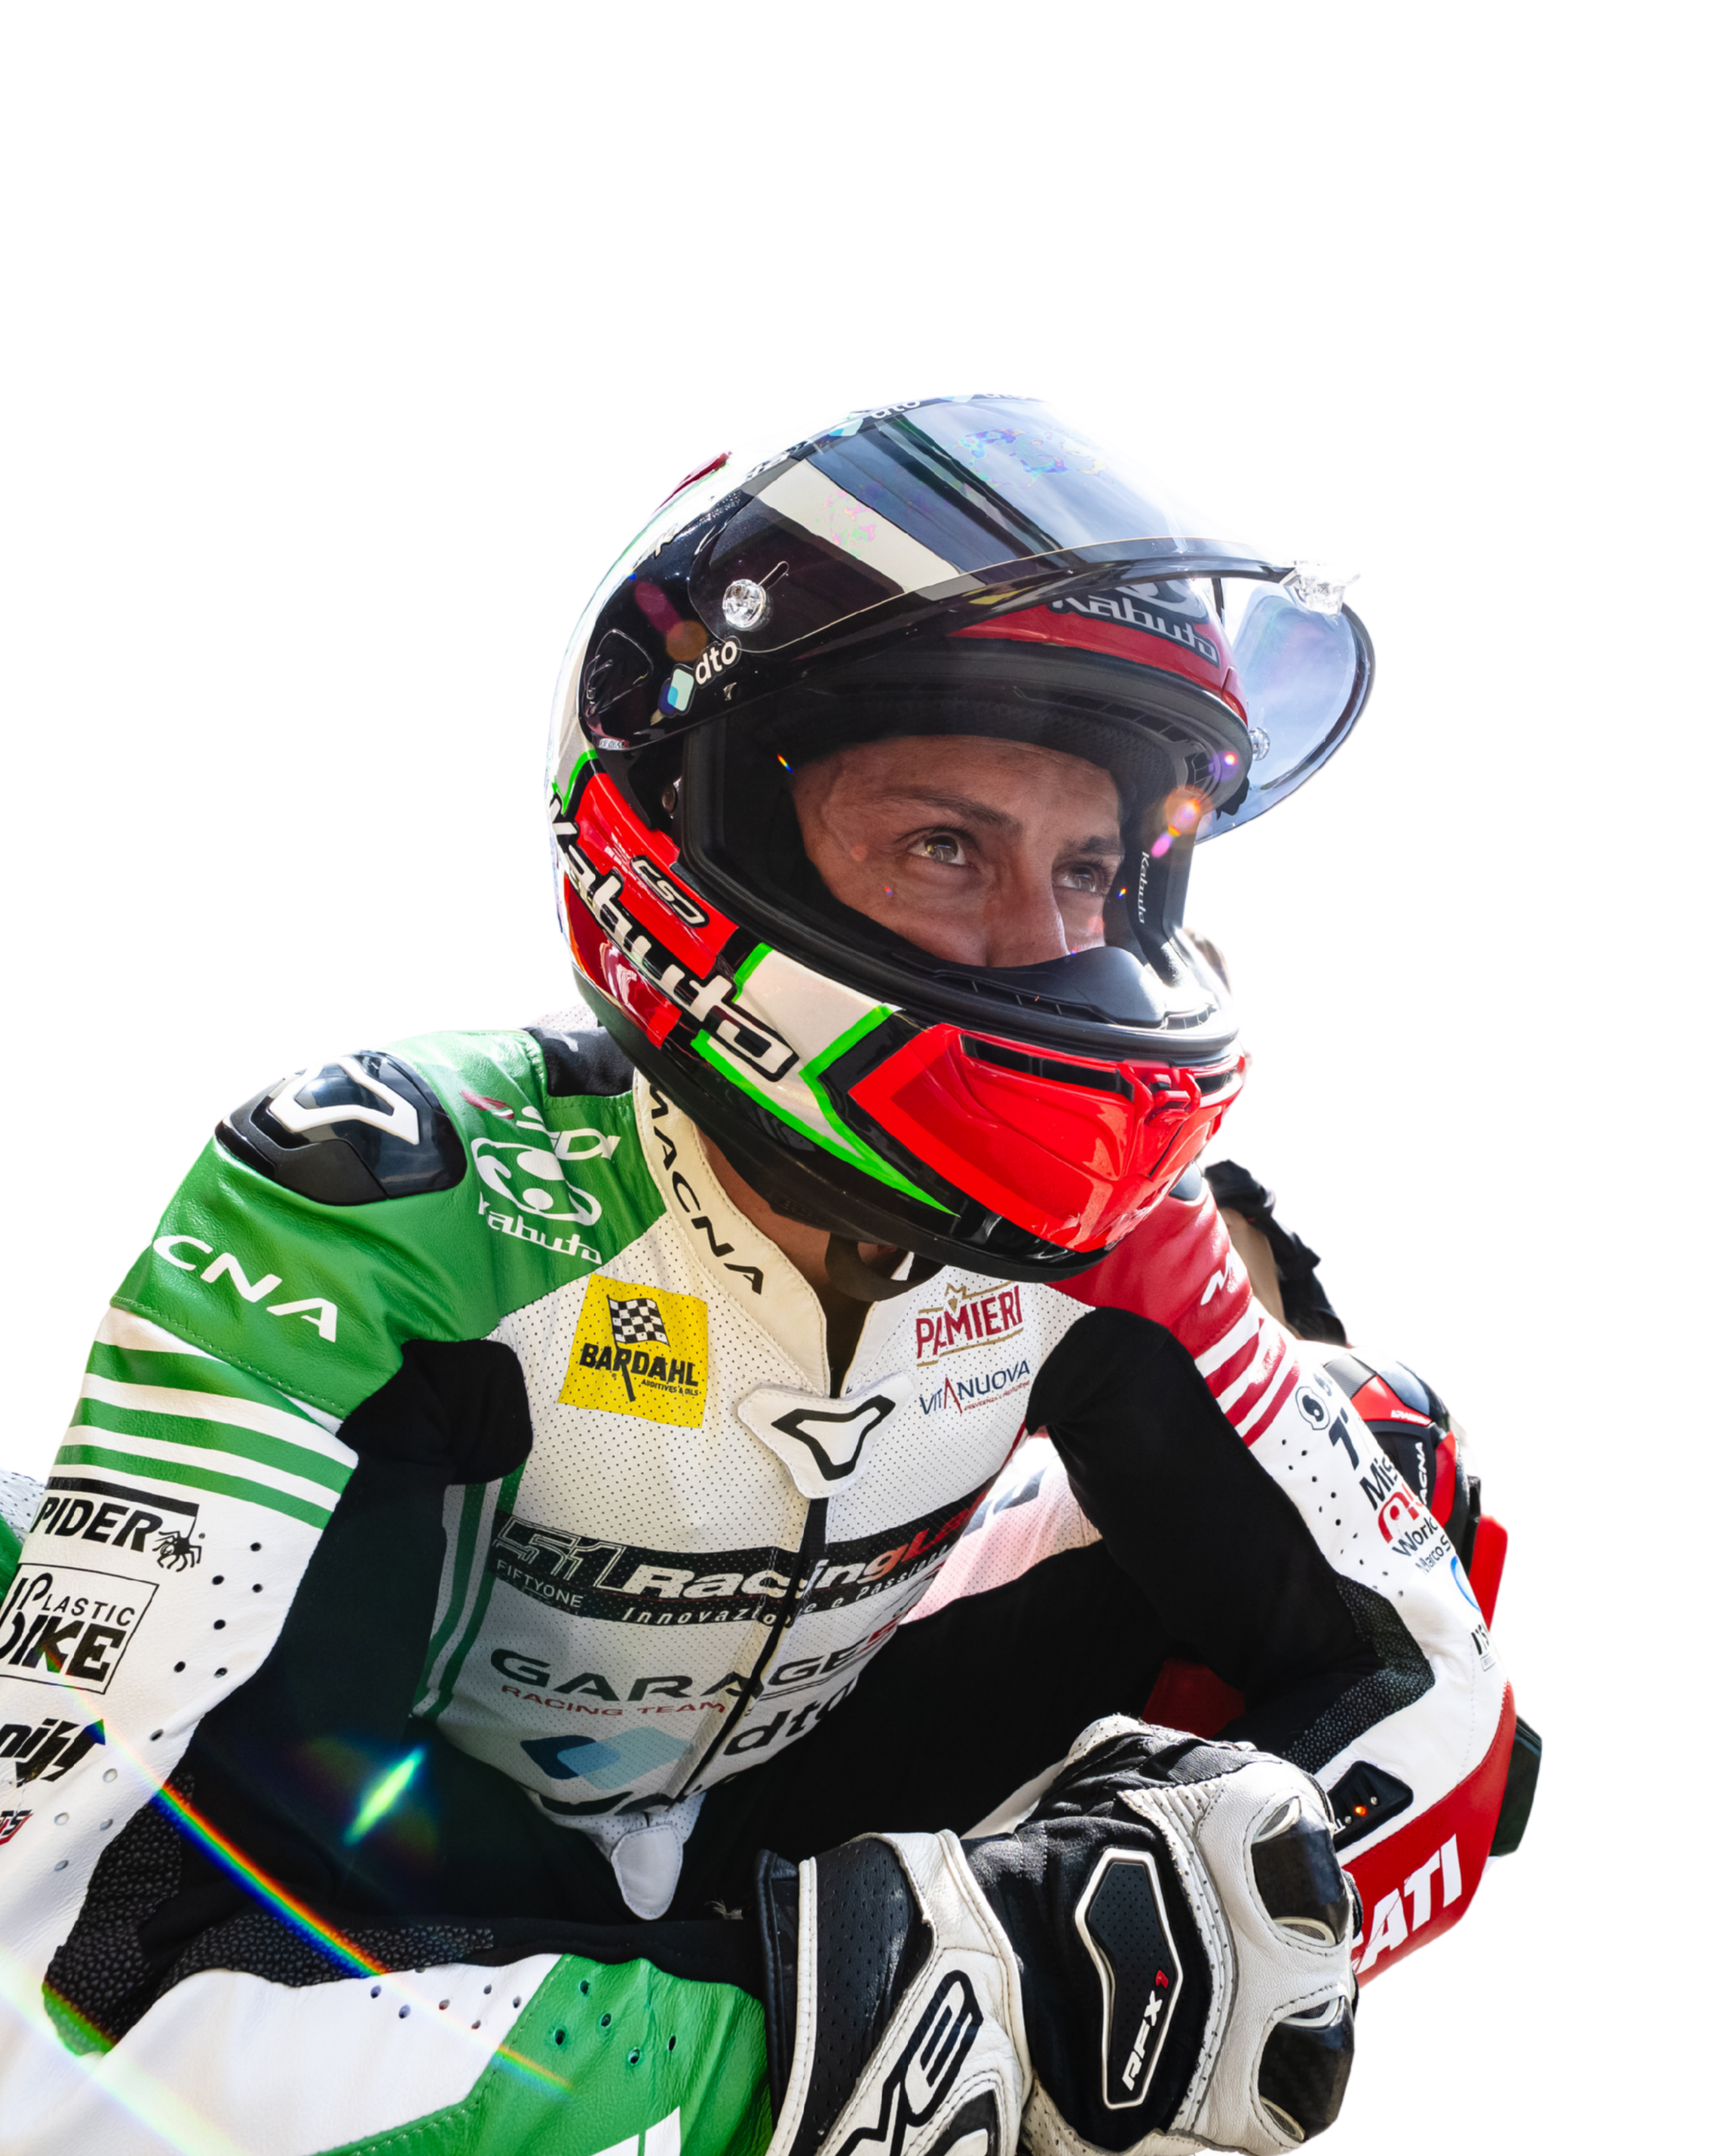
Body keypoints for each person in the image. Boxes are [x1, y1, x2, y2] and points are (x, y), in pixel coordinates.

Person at [0, 397, 1537, 2155]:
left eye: (1093, 868)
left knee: (1388, 1449)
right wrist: (835, 2051)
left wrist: (1156, 1954)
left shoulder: (1119, 1225)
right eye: (946, 846)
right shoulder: (386, 1191)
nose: (1049, 948)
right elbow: (54, 1999)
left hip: (786, 1825)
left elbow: (1445, 1715)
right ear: (695, 823)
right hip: (403, 1871)